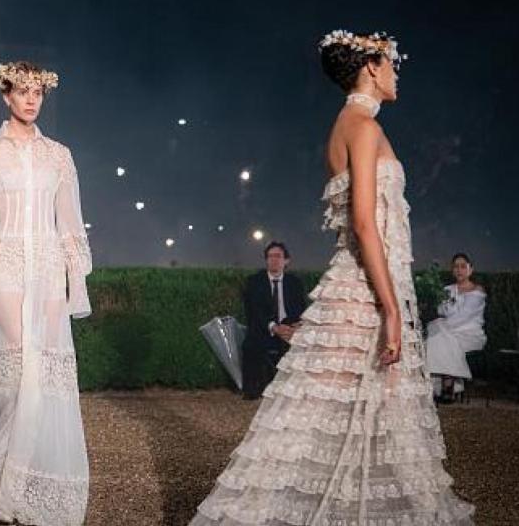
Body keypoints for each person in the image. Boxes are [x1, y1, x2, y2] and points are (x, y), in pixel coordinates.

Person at [190, 30, 474, 525]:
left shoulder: (349, 124)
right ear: (370, 66)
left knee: (349, 413)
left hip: (364, 283)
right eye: (391, 62)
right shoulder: (361, 126)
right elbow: (364, 223)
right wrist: (389, 308)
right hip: (364, 291)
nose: (395, 71)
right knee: (326, 411)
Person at [0, 62, 92, 525]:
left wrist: (78, 279)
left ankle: (25, 477)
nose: (31, 100)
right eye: (23, 92)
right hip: (5, 268)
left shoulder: (59, 155)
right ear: (6, 96)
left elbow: (71, 224)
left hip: (49, 269)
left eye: (38, 93)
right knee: (16, 374)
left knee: (45, 374)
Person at [241, 241, 307, 399]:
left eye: (278, 256)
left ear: (286, 261)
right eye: (270, 256)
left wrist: (292, 327)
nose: (274, 260)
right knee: (251, 345)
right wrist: (274, 328)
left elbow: (301, 309)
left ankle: (296, 391)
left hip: (289, 328)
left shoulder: (295, 283)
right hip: (265, 329)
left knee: (305, 344)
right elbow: (254, 312)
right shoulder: (254, 282)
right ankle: (254, 389)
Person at [426, 253, 486, 402]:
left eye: (463, 266)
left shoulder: (477, 291)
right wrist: (443, 320)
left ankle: (442, 384)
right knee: (440, 334)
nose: (459, 270)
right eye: (456, 267)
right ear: (452, 270)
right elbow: (441, 311)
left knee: (438, 332)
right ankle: (449, 384)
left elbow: (463, 317)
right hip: (449, 332)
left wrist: (442, 322)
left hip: (470, 334)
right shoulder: (447, 290)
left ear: (470, 269)